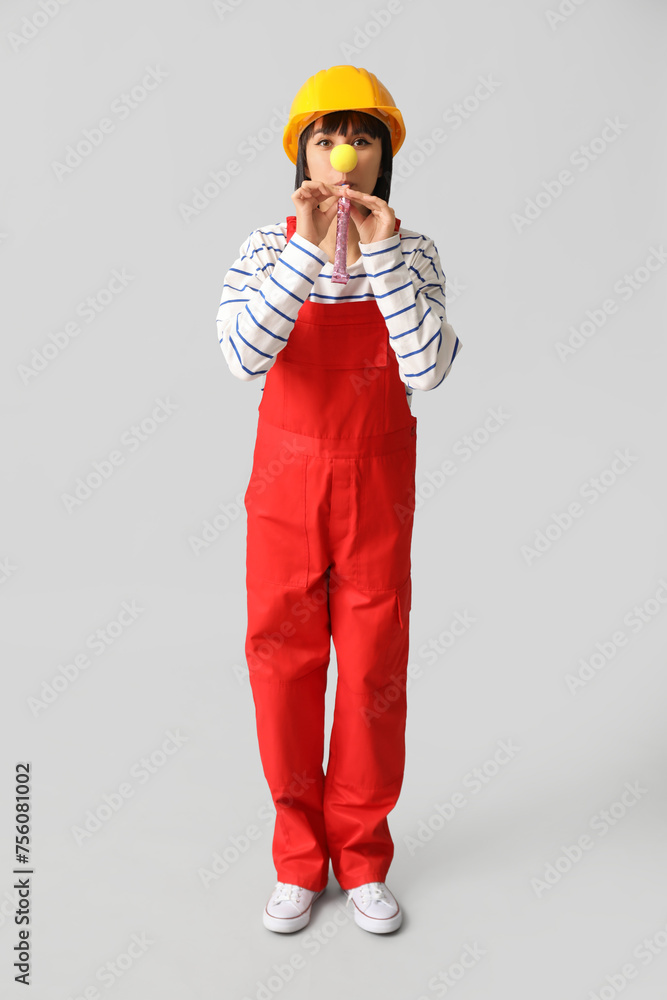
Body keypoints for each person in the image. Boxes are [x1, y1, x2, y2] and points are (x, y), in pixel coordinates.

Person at [215, 65, 463, 935]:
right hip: (285, 491)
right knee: (281, 668)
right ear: (302, 154)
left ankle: (360, 858)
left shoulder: (416, 253)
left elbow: (427, 368)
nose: (343, 154)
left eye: (360, 137)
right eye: (325, 137)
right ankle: (297, 859)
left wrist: (381, 255)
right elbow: (244, 355)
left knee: (369, 673)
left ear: (381, 155)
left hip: (375, 490)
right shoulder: (262, 247)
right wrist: (309, 252)